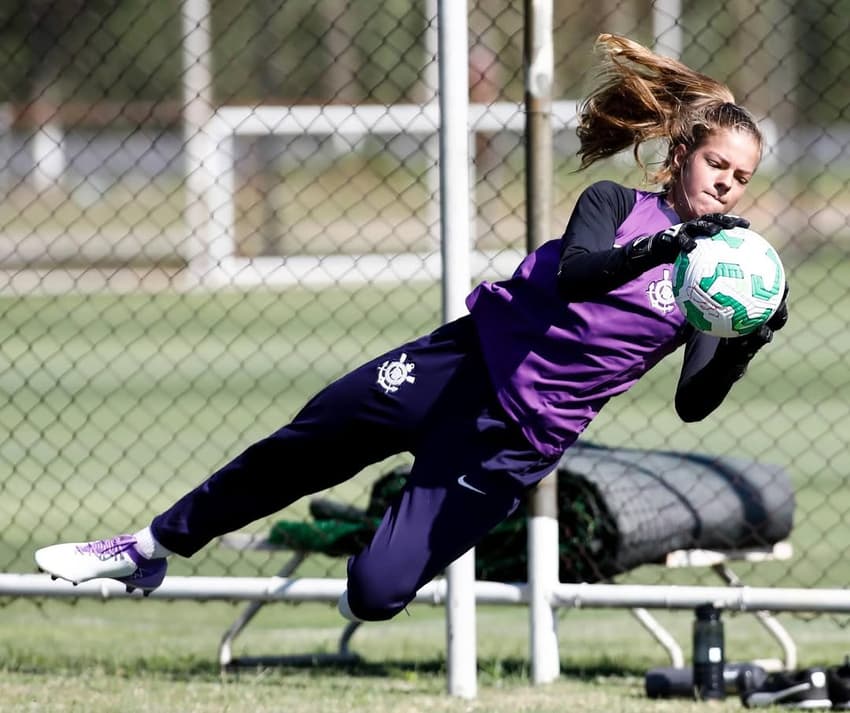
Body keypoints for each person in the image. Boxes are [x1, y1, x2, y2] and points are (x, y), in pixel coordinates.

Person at [35, 34, 788, 622]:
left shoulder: (717, 283)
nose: (726, 182)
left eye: (741, 176)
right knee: (300, 448)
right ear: (680, 153)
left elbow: (695, 399)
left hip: (510, 444)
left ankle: (378, 562)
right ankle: (147, 546)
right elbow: (574, 274)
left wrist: (748, 338)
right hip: (459, 364)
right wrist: (659, 247)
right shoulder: (618, 208)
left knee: (376, 590)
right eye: (716, 162)